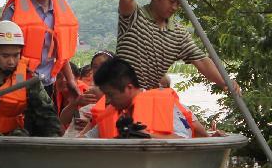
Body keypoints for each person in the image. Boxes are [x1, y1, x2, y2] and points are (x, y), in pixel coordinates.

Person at [117, 0, 239, 94]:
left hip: (144, 102)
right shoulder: (134, 16)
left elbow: (201, 61)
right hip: (118, 97)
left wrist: (225, 81)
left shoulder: (179, 34)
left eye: (179, 3)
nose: (175, 7)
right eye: (172, 1)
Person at [1, 0, 80, 104]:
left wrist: (71, 81)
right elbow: (0, 50)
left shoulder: (60, 10)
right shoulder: (15, 10)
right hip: (17, 84)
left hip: (47, 84)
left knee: (47, 126)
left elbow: (61, 54)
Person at [87, 57, 223, 139]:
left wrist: (146, 136)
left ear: (129, 88)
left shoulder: (161, 104)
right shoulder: (114, 112)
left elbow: (183, 140)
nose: (108, 100)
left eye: (111, 95)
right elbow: (86, 139)